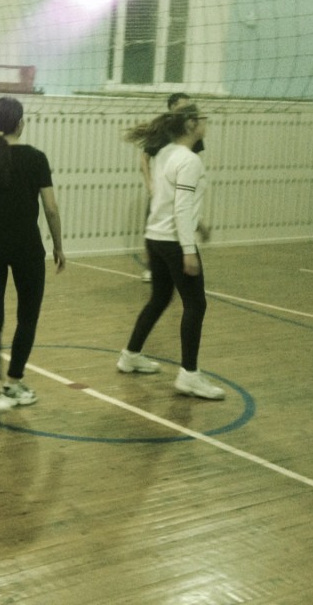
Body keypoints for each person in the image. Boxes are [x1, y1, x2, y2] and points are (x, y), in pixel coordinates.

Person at [0, 97, 65, 420]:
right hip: (27, 248)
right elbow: (51, 208)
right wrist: (58, 246)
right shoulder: (36, 158)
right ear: (20, 122)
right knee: (27, 317)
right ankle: (14, 383)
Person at [120, 103, 224, 400]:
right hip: (175, 241)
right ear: (191, 124)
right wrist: (189, 250)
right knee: (196, 305)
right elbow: (181, 206)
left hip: (156, 236)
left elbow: (168, 200)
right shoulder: (189, 160)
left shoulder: (165, 153)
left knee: (160, 298)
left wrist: (198, 224)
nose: (206, 123)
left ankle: (130, 356)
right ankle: (189, 376)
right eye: (202, 119)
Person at [138, 93, 206, 282]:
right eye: (183, 105)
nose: (187, 108)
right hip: (164, 193)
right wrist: (150, 184)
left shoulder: (192, 139)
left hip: (181, 189)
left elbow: (196, 160)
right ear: (172, 107)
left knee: (161, 296)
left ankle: (175, 264)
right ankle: (153, 267)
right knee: (155, 228)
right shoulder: (164, 134)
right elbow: (144, 158)